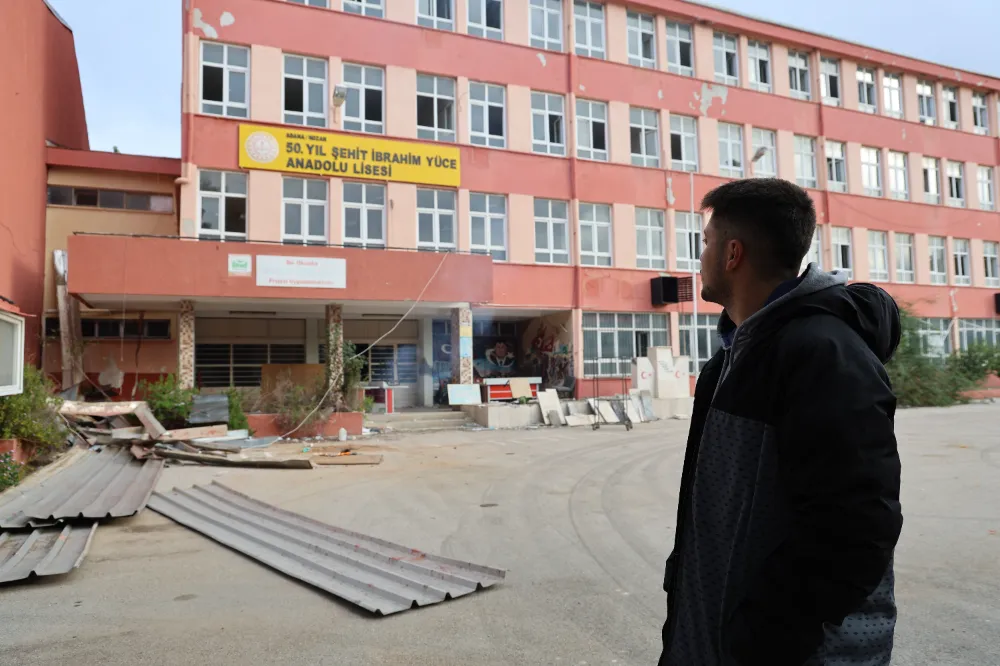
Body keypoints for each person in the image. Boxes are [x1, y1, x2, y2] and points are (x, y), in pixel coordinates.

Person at [659, 179, 904, 666]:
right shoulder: (730, 360)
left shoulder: (823, 354)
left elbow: (856, 528)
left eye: (705, 243)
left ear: (733, 253)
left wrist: (762, 637)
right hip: (712, 636)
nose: (700, 257)